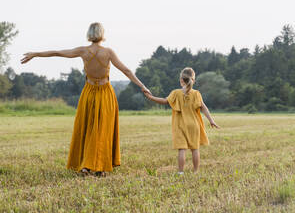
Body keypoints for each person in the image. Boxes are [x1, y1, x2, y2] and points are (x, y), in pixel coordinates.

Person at [21, 22, 150, 177]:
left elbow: (58, 53)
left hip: (88, 92)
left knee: (87, 128)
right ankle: (99, 167)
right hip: (105, 93)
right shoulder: (108, 52)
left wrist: (35, 54)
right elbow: (126, 70)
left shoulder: (83, 51)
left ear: (89, 34)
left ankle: (85, 167)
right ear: (102, 33)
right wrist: (142, 86)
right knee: (102, 129)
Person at [144, 67, 219, 174]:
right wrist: (211, 120)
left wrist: (151, 97)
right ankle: (196, 171)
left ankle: (180, 172)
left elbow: (164, 101)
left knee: (182, 149)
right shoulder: (196, 93)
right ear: (193, 80)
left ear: (181, 80)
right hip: (194, 125)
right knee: (195, 149)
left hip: (180, 125)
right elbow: (204, 108)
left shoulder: (176, 93)